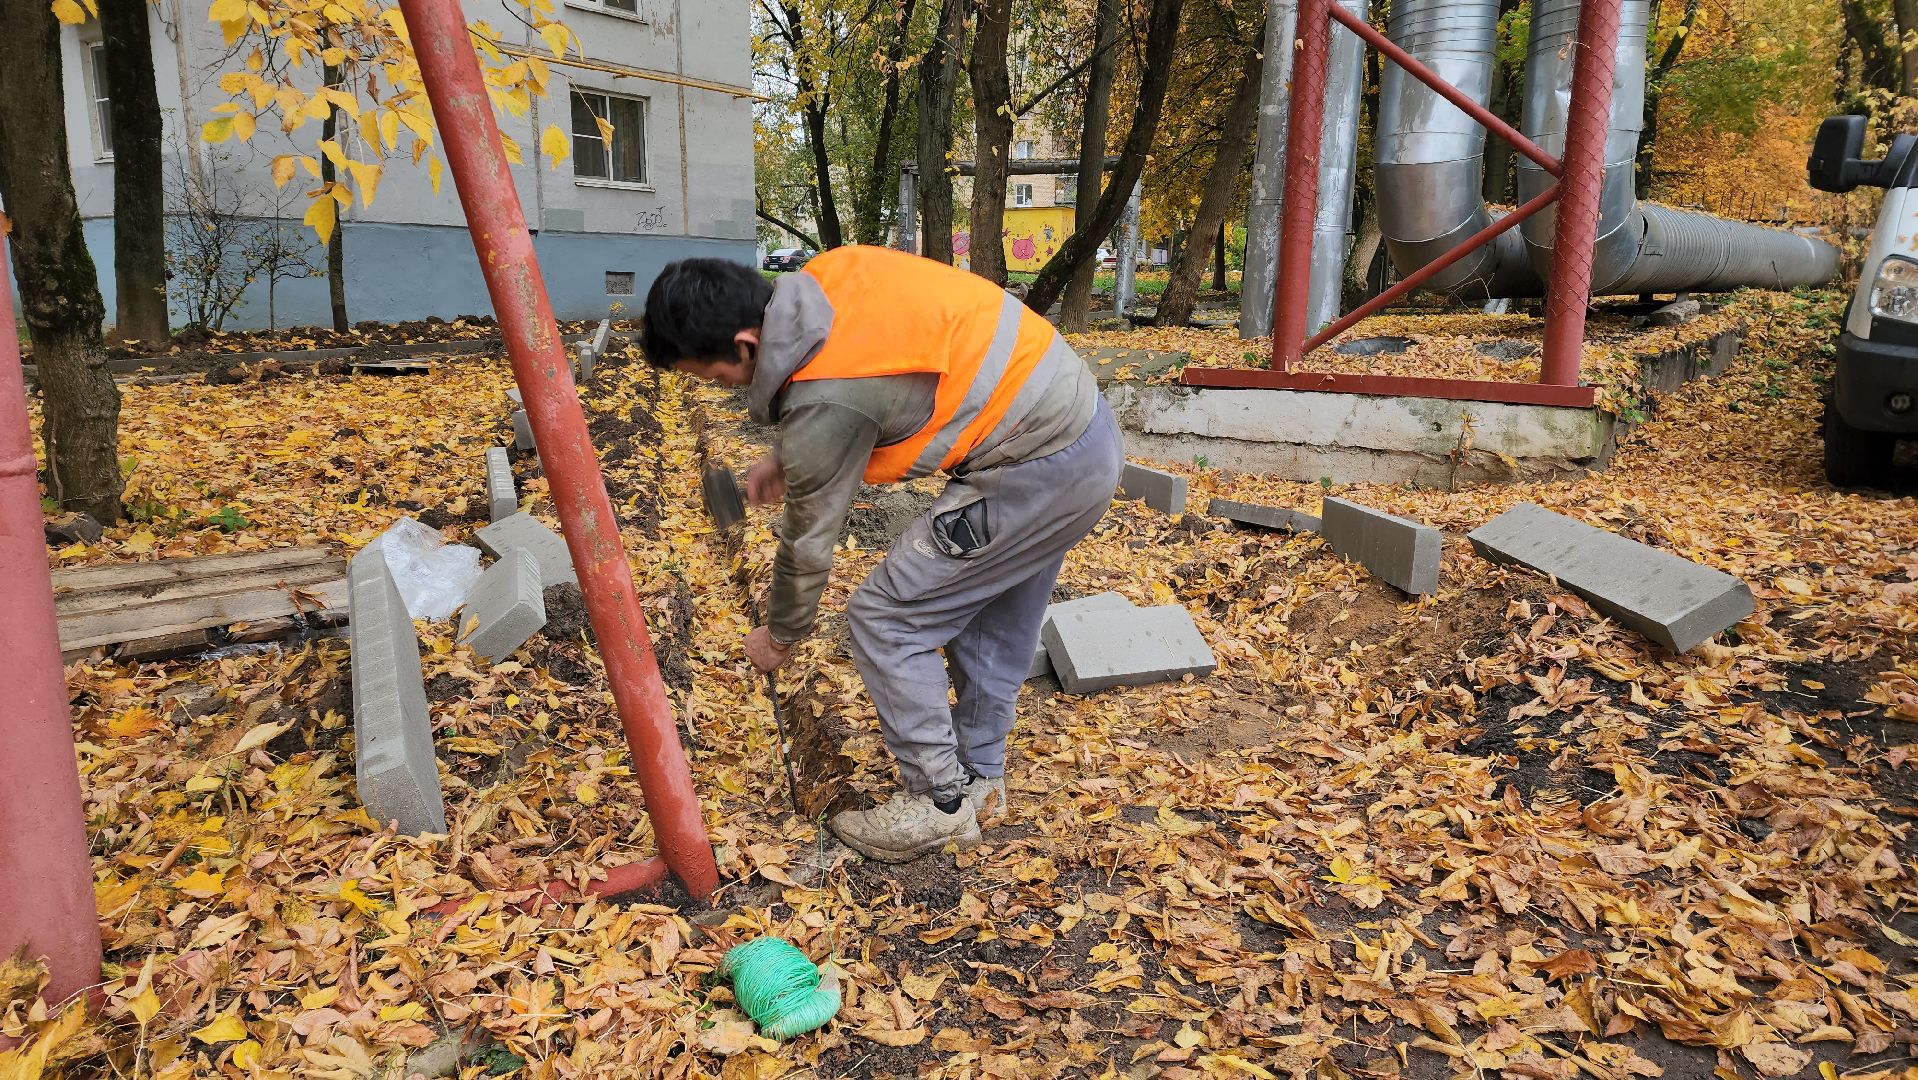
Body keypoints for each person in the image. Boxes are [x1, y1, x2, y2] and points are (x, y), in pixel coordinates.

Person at [641, 247, 1124, 863]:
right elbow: (867, 387)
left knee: (887, 616)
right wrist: (790, 455)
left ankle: (940, 804)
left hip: (1037, 467)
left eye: (714, 377)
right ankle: (981, 781)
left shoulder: (827, 400)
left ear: (744, 344)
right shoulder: (824, 280)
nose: (723, 390)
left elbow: (809, 538)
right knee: (985, 619)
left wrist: (781, 635)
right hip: (1079, 431)